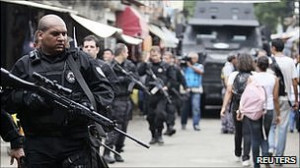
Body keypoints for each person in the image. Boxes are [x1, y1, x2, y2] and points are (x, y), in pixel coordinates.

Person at [2, 14, 114, 167]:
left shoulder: (80, 60)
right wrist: (26, 98)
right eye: (55, 34)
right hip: (39, 144)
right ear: (40, 35)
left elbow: (105, 92)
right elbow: (6, 101)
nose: (61, 38)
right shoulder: (25, 65)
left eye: (64, 34)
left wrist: (87, 104)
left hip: (76, 143)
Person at [237, 56, 280, 168]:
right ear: (268, 66)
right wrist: (278, 114)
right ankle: (266, 159)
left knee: (255, 137)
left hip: (254, 111)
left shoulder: (252, 78)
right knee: (265, 136)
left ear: (257, 65)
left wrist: (241, 110)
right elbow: (275, 98)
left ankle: (257, 164)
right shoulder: (274, 78)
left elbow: (247, 96)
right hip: (269, 109)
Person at [103, 43, 138, 163]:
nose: (127, 54)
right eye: (126, 51)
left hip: (127, 99)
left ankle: (118, 151)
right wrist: (123, 79)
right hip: (116, 100)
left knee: (124, 128)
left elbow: (135, 78)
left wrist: (131, 80)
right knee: (115, 127)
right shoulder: (109, 66)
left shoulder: (129, 65)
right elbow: (107, 81)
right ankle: (107, 152)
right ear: (122, 52)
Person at [220, 53, 254, 166]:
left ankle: (237, 152)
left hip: (236, 105)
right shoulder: (255, 75)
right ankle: (246, 157)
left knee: (238, 131)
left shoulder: (233, 75)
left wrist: (224, 107)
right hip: (250, 106)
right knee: (247, 132)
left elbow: (229, 91)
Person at [138, 46, 176, 145]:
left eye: (156, 55)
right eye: (152, 55)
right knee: (150, 116)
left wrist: (167, 87)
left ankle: (159, 134)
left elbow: (172, 79)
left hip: (161, 95)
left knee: (160, 114)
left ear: (160, 55)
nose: (154, 57)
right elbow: (139, 72)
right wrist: (145, 62)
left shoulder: (166, 66)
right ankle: (153, 135)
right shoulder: (148, 65)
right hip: (150, 94)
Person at [268, 38, 298, 158]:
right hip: (286, 98)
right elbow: (295, 82)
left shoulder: (269, 61)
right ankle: (279, 157)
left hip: (271, 99)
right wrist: (295, 100)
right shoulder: (290, 61)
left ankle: (270, 147)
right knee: (283, 127)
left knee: (271, 125)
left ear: (273, 48)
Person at [162, 51, 187, 136]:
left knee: (171, 110)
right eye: (164, 58)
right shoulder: (161, 68)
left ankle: (170, 126)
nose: (165, 60)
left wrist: (185, 87)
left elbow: (182, 79)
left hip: (172, 92)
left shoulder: (175, 69)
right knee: (162, 111)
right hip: (161, 93)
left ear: (171, 59)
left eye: (167, 58)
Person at [181, 52, 204, 131]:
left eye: (194, 58)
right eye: (191, 58)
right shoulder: (184, 66)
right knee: (184, 108)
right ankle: (183, 123)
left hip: (196, 89)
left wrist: (190, 66)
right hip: (186, 89)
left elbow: (200, 72)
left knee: (196, 107)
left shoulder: (199, 66)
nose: (192, 60)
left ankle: (196, 124)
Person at [220, 53, 237, 134]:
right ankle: (228, 126)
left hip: (227, 90)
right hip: (228, 90)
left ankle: (226, 126)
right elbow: (227, 80)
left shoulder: (229, 67)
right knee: (228, 108)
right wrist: (229, 90)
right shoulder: (228, 68)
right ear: (233, 59)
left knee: (227, 108)